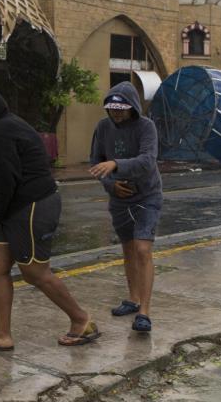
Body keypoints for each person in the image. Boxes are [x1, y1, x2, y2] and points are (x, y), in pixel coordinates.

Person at [0, 85, 99, 351]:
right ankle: (2, 335)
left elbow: (8, 179)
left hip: (32, 206)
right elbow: (7, 169)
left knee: (34, 272)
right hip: (13, 208)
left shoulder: (2, 130)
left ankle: (82, 320)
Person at [89, 81, 163, 333]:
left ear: (133, 107)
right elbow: (96, 161)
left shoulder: (146, 127)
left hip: (147, 196)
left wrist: (116, 164)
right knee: (129, 249)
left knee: (143, 249)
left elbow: (147, 160)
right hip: (119, 198)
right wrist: (111, 185)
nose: (116, 113)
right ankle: (133, 300)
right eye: (112, 109)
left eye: (122, 109)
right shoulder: (102, 127)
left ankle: (144, 312)